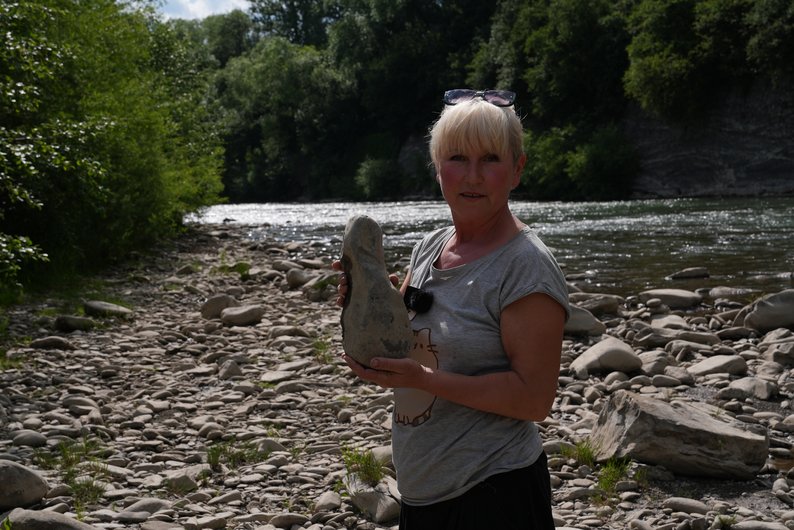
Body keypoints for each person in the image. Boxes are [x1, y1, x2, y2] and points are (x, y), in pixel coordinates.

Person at [335, 88, 570, 530]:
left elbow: (534, 399)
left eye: (491, 159)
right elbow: (404, 346)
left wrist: (424, 380)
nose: (472, 176)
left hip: (494, 494)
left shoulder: (525, 266)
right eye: (458, 158)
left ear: (517, 169)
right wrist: (367, 302)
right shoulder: (430, 247)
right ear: (437, 167)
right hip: (423, 492)